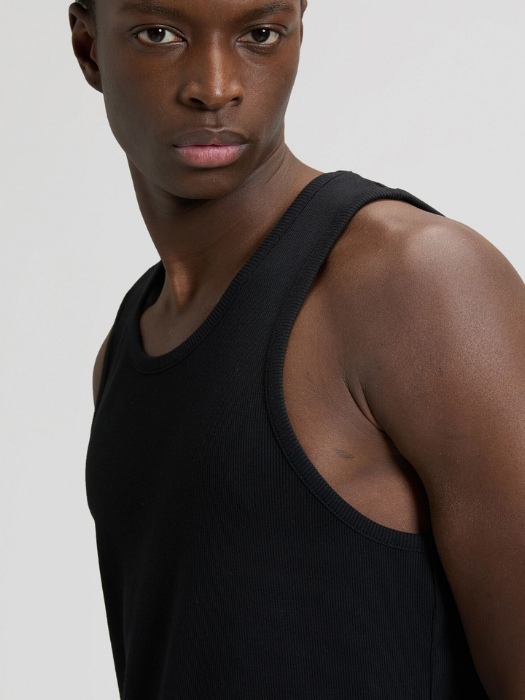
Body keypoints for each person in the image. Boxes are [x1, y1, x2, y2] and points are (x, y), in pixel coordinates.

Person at [69, 1, 525, 698]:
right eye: (159, 34)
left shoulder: (418, 280)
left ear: (297, 33)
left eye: (259, 34)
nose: (215, 87)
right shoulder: (125, 350)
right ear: (89, 47)